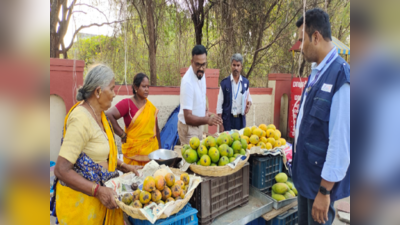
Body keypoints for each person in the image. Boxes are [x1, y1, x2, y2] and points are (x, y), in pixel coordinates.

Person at [52, 65, 142, 225]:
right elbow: (61, 169)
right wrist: (98, 191)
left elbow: (104, 155)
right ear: (98, 91)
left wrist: (125, 167)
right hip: (81, 207)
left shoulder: (100, 116)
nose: (115, 94)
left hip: (100, 203)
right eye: (112, 89)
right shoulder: (81, 119)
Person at [292, 8, 350, 225]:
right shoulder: (316, 73)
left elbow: (341, 142)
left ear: (315, 37)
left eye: (301, 40)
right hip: (305, 178)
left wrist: (325, 191)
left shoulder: (340, 77)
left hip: (320, 186)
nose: (300, 47)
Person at [106, 73, 161, 166]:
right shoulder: (127, 104)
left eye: (148, 86)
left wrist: (159, 151)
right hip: (132, 156)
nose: (147, 89)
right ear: (135, 87)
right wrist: (122, 134)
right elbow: (109, 115)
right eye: (144, 86)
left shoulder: (151, 107)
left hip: (151, 154)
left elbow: (157, 130)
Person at [178, 45, 223, 144]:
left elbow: (201, 97)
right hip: (189, 129)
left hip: (198, 126)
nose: (201, 68)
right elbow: (188, 117)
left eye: (204, 64)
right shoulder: (187, 82)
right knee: (191, 159)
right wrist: (207, 120)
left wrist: (207, 112)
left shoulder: (201, 74)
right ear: (192, 62)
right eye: (198, 64)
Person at [216, 53, 252, 132]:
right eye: (234, 65)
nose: (236, 68)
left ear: (241, 67)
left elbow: (248, 99)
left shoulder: (245, 83)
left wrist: (248, 105)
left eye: (238, 65)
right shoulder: (224, 83)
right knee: (227, 142)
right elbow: (219, 105)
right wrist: (221, 125)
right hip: (227, 120)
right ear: (231, 66)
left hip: (240, 120)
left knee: (239, 142)